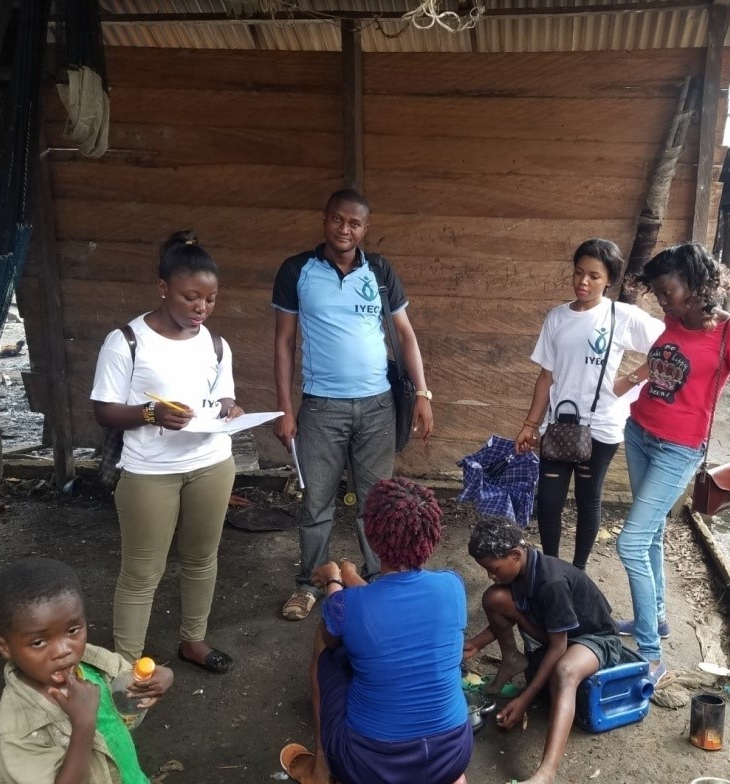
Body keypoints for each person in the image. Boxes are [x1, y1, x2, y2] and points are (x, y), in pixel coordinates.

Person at [272, 188, 434, 622]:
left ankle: (380, 582)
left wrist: (422, 393)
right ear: (325, 220)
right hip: (322, 408)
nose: (345, 229)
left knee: (376, 502)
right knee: (316, 503)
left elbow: (405, 335)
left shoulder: (379, 271)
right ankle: (310, 582)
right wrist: (286, 408)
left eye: (355, 223)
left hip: (379, 407)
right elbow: (285, 342)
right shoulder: (297, 270)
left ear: (366, 228)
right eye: (337, 220)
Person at [615, 242, 730, 686]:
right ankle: (659, 617)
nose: (663, 302)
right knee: (650, 536)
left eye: (669, 292)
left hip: (678, 449)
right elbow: (664, 362)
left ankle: (650, 655)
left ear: (698, 285)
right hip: (640, 431)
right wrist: (632, 379)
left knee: (629, 544)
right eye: (659, 294)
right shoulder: (674, 318)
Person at [91, 231, 243, 673]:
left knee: (201, 559)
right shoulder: (126, 341)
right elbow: (103, 410)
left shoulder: (214, 343)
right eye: (191, 297)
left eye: (210, 299)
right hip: (149, 472)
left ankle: (193, 640)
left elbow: (224, 396)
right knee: (141, 573)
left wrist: (231, 408)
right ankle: (124, 667)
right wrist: (150, 412)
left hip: (211, 464)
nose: (201, 308)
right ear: (163, 289)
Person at [280, 478, 471, 784]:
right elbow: (390, 604)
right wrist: (349, 575)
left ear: (371, 533)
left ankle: (321, 768)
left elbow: (345, 618)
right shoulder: (452, 586)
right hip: (452, 754)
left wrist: (334, 578)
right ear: (432, 536)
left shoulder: (349, 605)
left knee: (327, 650)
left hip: (371, 766)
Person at [515, 238, 663, 570]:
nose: (583, 282)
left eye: (594, 276)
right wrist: (530, 424)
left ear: (610, 279)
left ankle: (578, 573)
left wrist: (632, 379)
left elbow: (668, 345)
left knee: (588, 499)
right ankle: (553, 570)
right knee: (549, 501)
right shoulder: (557, 317)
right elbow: (546, 375)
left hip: (601, 426)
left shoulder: (621, 316)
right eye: (578, 273)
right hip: (559, 425)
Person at [464, 518, 630, 784]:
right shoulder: (521, 570)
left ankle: (546, 773)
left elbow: (558, 647)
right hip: (557, 634)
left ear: (515, 555)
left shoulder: (551, 583)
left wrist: (524, 700)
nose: (490, 576)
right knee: (494, 597)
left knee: (565, 672)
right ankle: (513, 660)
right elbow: (515, 614)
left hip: (595, 639)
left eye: (493, 569)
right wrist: (476, 643)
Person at [0, 557, 174, 784]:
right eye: (38, 643)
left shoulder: (92, 664)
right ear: (5, 646)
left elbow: (131, 678)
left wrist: (161, 677)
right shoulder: (16, 733)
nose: (63, 651)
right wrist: (84, 723)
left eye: (72, 630)